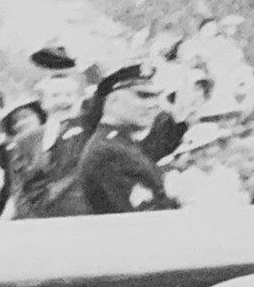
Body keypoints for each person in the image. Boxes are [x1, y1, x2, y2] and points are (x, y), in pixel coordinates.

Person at [73, 65, 179, 214]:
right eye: (143, 96)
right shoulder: (109, 152)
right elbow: (147, 219)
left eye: (156, 97)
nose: (154, 105)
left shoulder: (119, 143)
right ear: (112, 101)